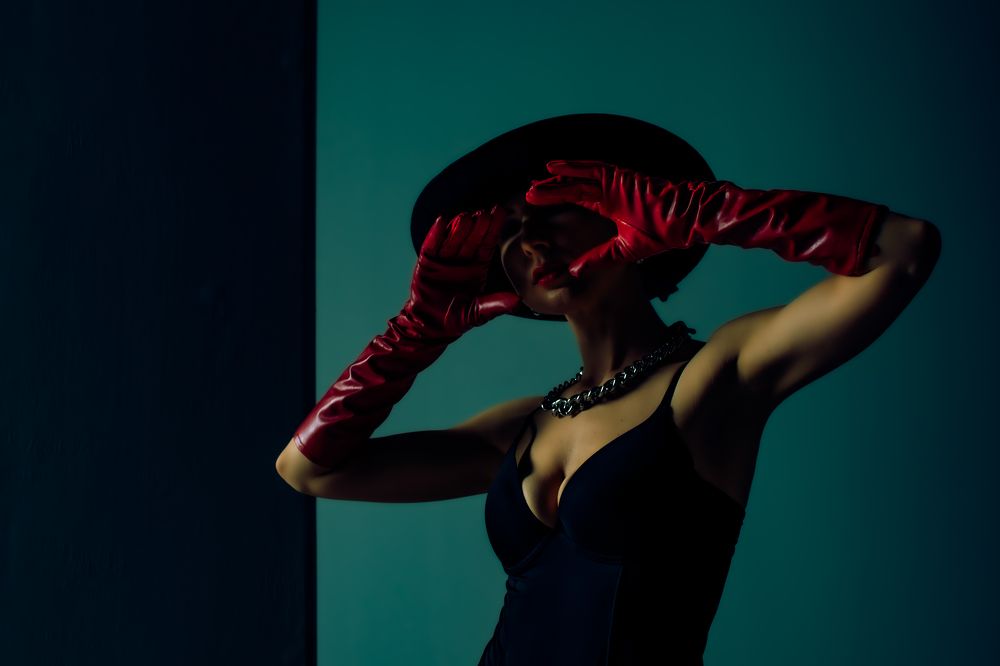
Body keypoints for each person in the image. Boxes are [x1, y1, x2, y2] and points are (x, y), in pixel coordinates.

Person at [275, 114, 941, 665]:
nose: (530, 240)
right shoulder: (524, 426)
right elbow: (308, 470)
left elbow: (906, 251)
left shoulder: (715, 379)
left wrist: (706, 212)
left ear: (626, 207)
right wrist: (414, 333)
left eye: (552, 209)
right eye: (509, 229)